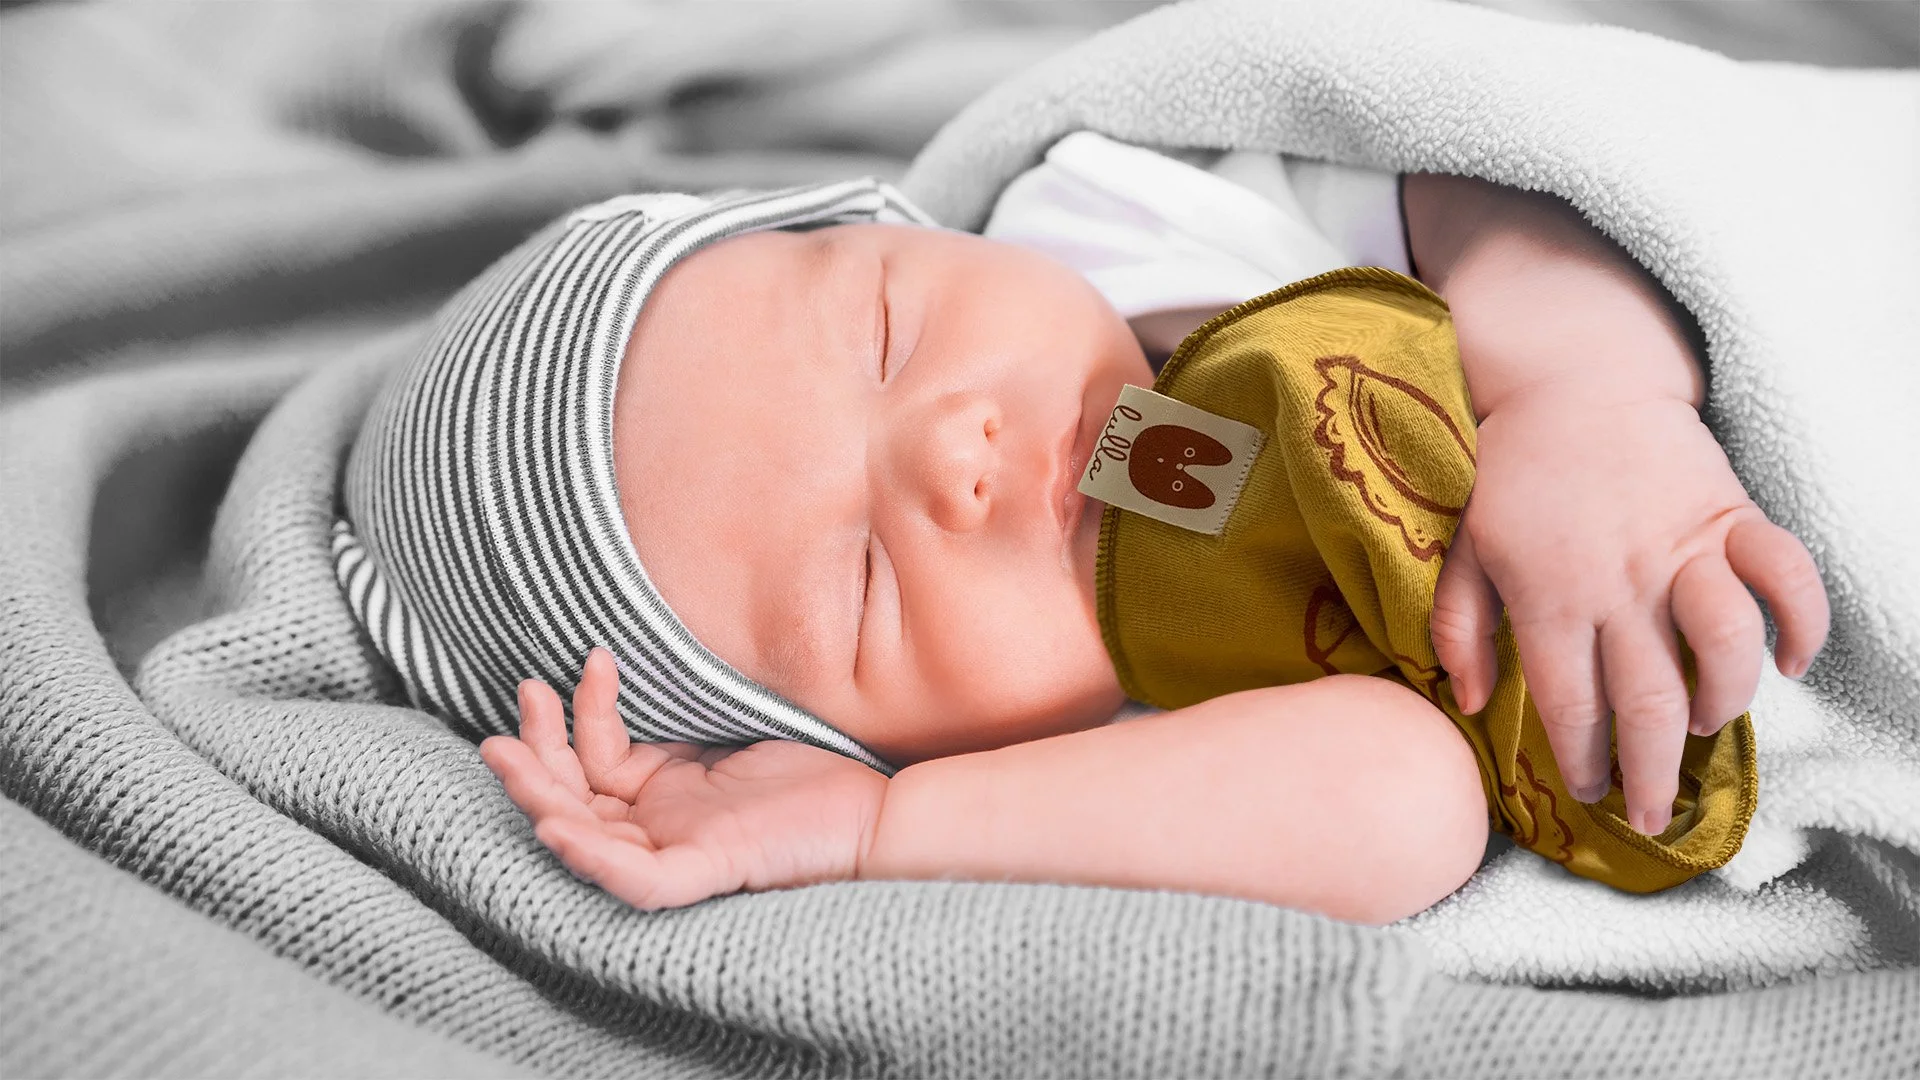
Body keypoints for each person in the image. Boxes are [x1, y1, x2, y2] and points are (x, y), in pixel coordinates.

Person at [336, 139, 1827, 926]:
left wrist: (1586, 390)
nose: (952, 455)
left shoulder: (1114, 227)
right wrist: (878, 834)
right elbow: (1410, 794)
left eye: (886, 330)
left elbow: (1467, 166)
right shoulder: (1093, 767)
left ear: (896, 222)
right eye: (862, 585)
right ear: (860, 747)